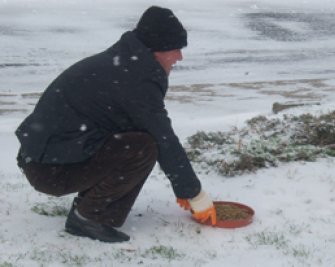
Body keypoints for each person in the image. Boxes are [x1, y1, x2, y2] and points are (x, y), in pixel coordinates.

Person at [15, 6, 216, 243]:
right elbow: (164, 138)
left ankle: (88, 209)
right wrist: (193, 193)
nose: (179, 57)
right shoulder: (135, 79)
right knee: (143, 146)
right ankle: (90, 217)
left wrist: (184, 188)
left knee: (135, 137)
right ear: (156, 50)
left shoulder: (123, 63)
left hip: (44, 161)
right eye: (176, 49)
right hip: (49, 170)